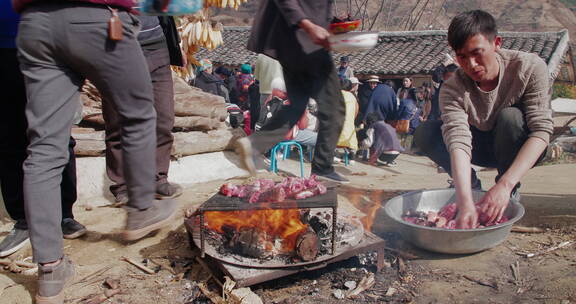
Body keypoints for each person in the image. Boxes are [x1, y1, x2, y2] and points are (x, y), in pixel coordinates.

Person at [12, 1, 178, 302]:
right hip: (98, 19)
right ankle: (141, 209)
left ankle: (50, 270)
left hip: (35, 22)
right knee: (138, 114)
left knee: (44, 148)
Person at [414, 10, 553, 229]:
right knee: (426, 131)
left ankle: (508, 190)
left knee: (511, 117)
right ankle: (472, 185)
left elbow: (542, 131)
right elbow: (458, 140)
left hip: (517, 146)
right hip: (479, 146)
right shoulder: (453, 88)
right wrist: (465, 198)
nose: (471, 64)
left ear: (496, 43)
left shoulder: (529, 68)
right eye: (462, 57)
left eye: (477, 53)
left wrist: (505, 185)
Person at [0, 6, 86, 259]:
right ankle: (24, 220)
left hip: (48, 44)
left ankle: (63, 215)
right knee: (8, 137)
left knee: (57, 135)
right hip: (3, 48)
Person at [237, 0, 348, 183]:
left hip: (291, 42)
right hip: (304, 39)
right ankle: (322, 168)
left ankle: (254, 144)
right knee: (334, 107)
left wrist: (332, 24)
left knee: (297, 105)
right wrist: (308, 24)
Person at [101, 16, 184, 205]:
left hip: (155, 44)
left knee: (163, 118)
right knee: (117, 121)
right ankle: (123, 186)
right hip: (115, 46)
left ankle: (158, 179)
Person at [254, 54, 283, 125]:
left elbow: (257, 77)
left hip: (265, 92)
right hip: (280, 92)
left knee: (263, 115)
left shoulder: (260, 56)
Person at [336, 79, 359, 164]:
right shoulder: (353, 97)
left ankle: (335, 155)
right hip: (350, 128)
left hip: (338, 126)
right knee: (351, 139)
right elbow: (356, 111)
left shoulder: (337, 95)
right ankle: (351, 157)